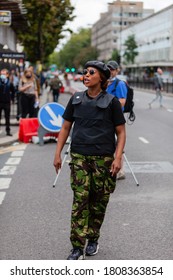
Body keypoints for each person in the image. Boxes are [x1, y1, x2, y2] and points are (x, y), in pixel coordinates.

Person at [53, 60, 126, 260]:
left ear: (101, 78)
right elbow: (66, 128)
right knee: (80, 200)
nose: (86, 75)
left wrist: (118, 158)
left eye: (90, 72)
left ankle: (93, 238)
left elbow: (121, 132)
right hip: (79, 157)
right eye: (85, 72)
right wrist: (57, 153)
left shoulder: (111, 102)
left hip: (103, 159)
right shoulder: (76, 99)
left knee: (98, 202)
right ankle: (77, 246)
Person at [106, 60, 127, 180]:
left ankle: (121, 170)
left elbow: (122, 101)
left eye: (112, 69)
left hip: (116, 118)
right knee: (108, 142)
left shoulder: (119, 84)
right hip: (105, 118)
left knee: (118, 143)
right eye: (108, 69)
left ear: (117, 70)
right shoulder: (105, 82)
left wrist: (108, 105)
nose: (110, 71)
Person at [0, 68, 15, 136]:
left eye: (4, 74)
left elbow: (13, 91)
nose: (2, 75)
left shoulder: (10, 83)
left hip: (7, 102)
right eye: (1, 74)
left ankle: (8, 131)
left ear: (7, 75)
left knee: (7, 117)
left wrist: (12, 99)